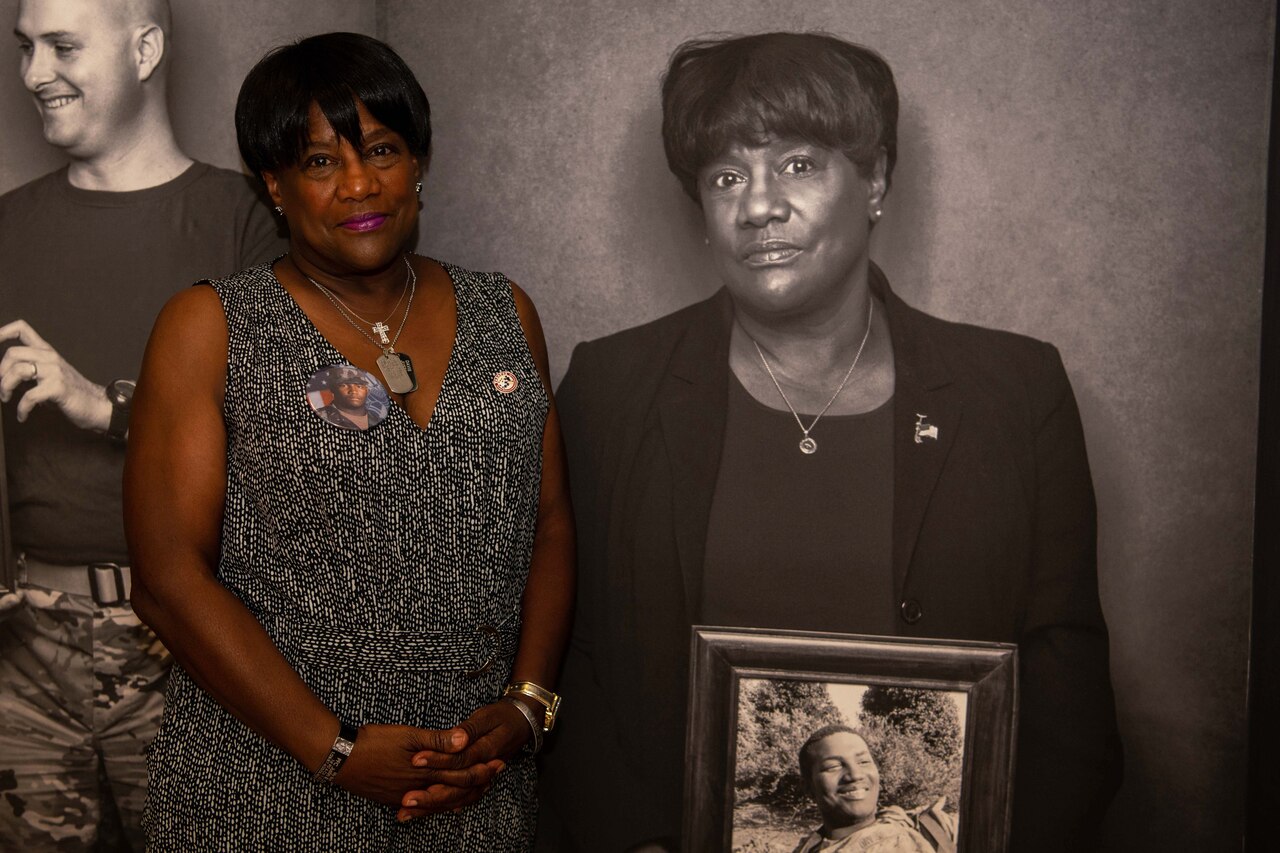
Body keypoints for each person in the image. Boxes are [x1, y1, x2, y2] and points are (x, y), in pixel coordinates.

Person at [539, 32, 1122, 852]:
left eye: (799, 165)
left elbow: (1067, 682)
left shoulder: (1016, 390)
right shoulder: (612, 386)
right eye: (726, 176)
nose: (759, 205)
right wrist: (632, 840)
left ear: (876, 179)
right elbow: (569, 655)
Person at [123, 32, 574, 850]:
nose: (360, 185)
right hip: (264, 791)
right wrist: (334, 749)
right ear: (275, 184)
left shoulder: (507, 313)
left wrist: (526, 705)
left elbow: (547, 523)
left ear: (420, 161)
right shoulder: (212, 326)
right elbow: (166, 577)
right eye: (320, 162)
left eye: (381, 149)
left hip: (471, 789)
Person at [0, 0, 283, 847]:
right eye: (24, 49)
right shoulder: (4, 226)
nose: (33, 75)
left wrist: (112, 406)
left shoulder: (245, 222)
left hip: (188, 647)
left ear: (147, 48)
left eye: (61, 46)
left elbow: (299, 432)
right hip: (20, 656)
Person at [791, 725, 949, 853]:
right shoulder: (808, 846)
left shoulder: (922, 832)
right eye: (833, 766)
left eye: (863, 762)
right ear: (808, 787)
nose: (855, 774)